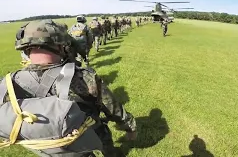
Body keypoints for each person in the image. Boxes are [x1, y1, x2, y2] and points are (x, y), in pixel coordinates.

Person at [0, 19, 137, 157]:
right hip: (89, 140)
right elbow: (113, 108)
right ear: (61, 46)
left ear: (25, 49)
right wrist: (129, 127)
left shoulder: (9, 83)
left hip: (48, 147)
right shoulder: (83, 77)